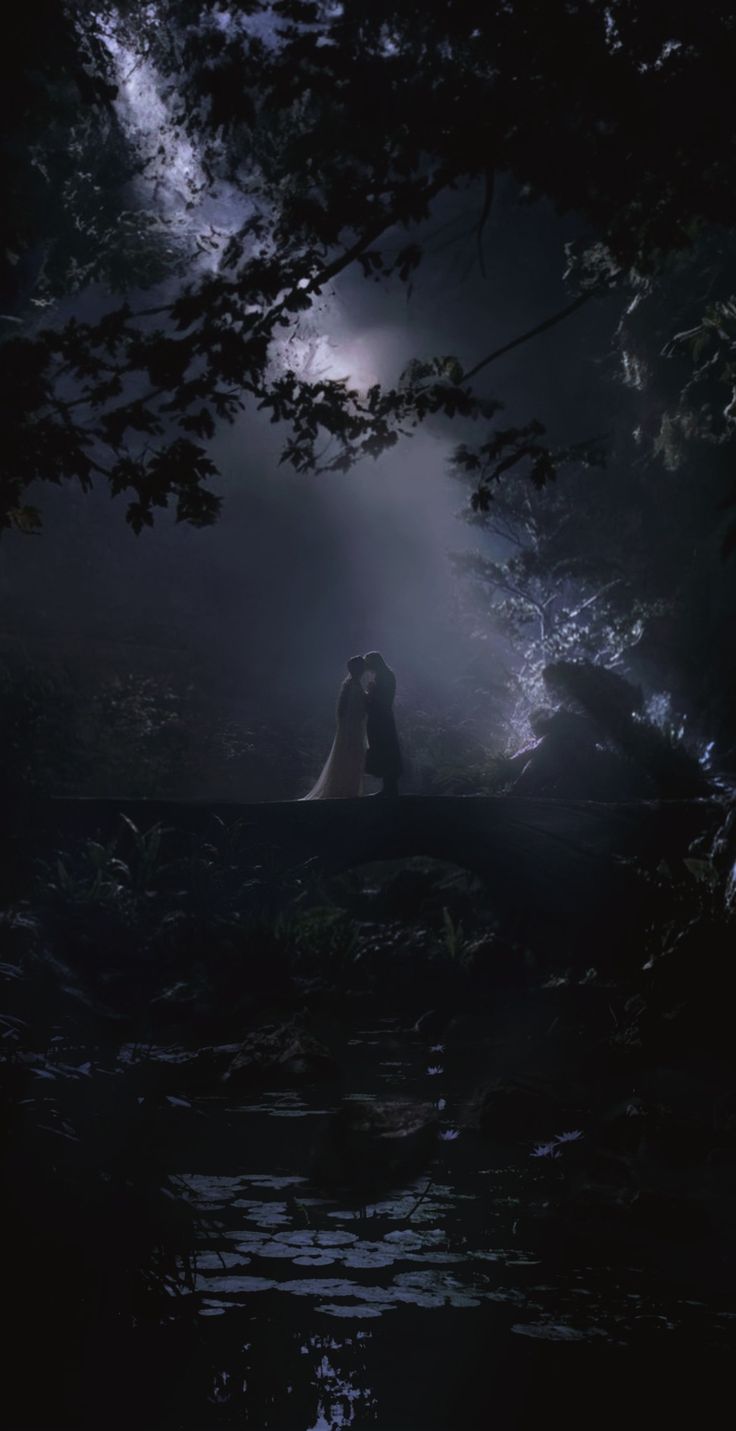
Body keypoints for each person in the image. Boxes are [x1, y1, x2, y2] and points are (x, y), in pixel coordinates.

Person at [302, 656, 367, 799]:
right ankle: (347, 789)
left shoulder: (350, 684)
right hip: (352, 728)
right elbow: (356, 707)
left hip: (350, 727)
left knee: (348, 757)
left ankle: (346, 788)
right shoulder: (353, 685)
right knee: (350, 757)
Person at [363, 651, 403, 797]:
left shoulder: (382, 677)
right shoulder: (388, 675)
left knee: (383, 748)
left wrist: (369, 694)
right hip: (385, 717)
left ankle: (389, 787)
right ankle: (389, 786)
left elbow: (380, 700)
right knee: (387, 748)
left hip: (380, 718)